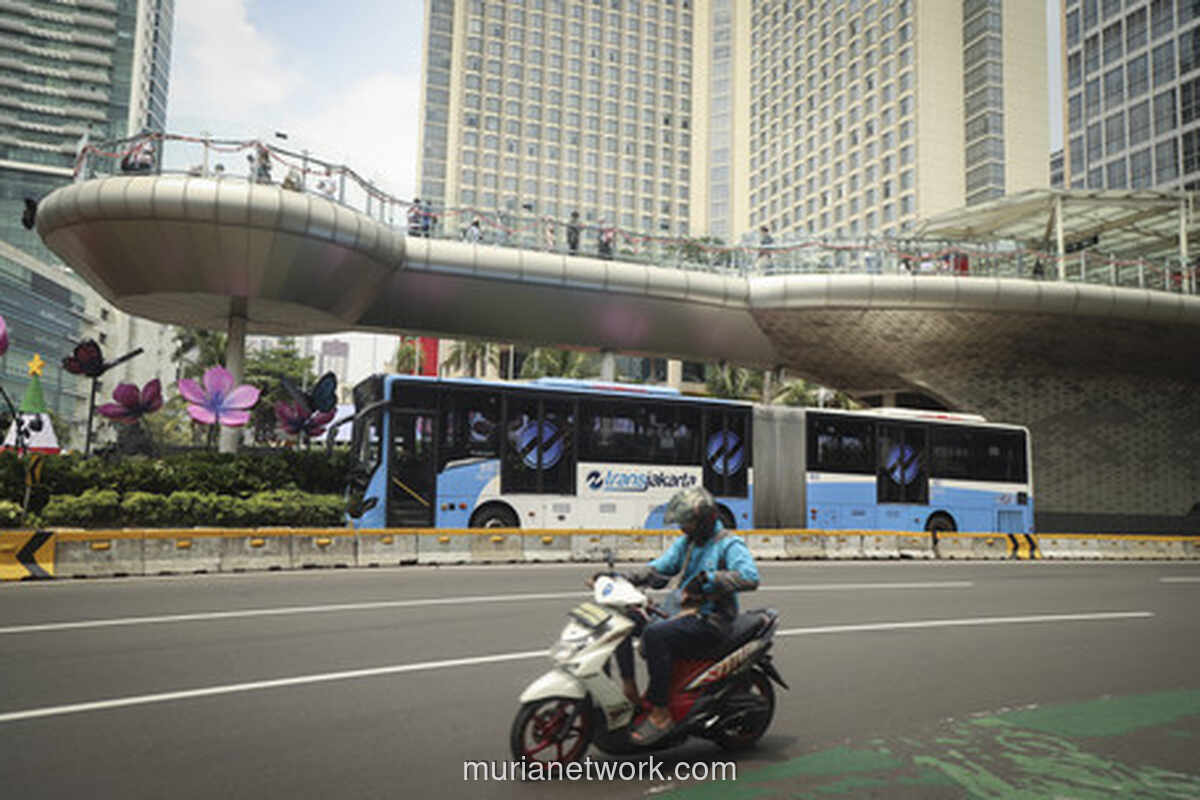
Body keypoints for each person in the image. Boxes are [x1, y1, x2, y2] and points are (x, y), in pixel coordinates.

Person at [602, 486, 759, 746]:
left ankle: (661, 713)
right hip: (682, 612)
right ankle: (629, 690)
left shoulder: (729, 544)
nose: (683, 528)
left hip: (712, 621)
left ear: (705, 520)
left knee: (655, 635)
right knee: (625, 617)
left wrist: (710, 580)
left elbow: (750, 577)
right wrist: (624, 577)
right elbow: (659, 568)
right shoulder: (687, 543)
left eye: (687, 523)